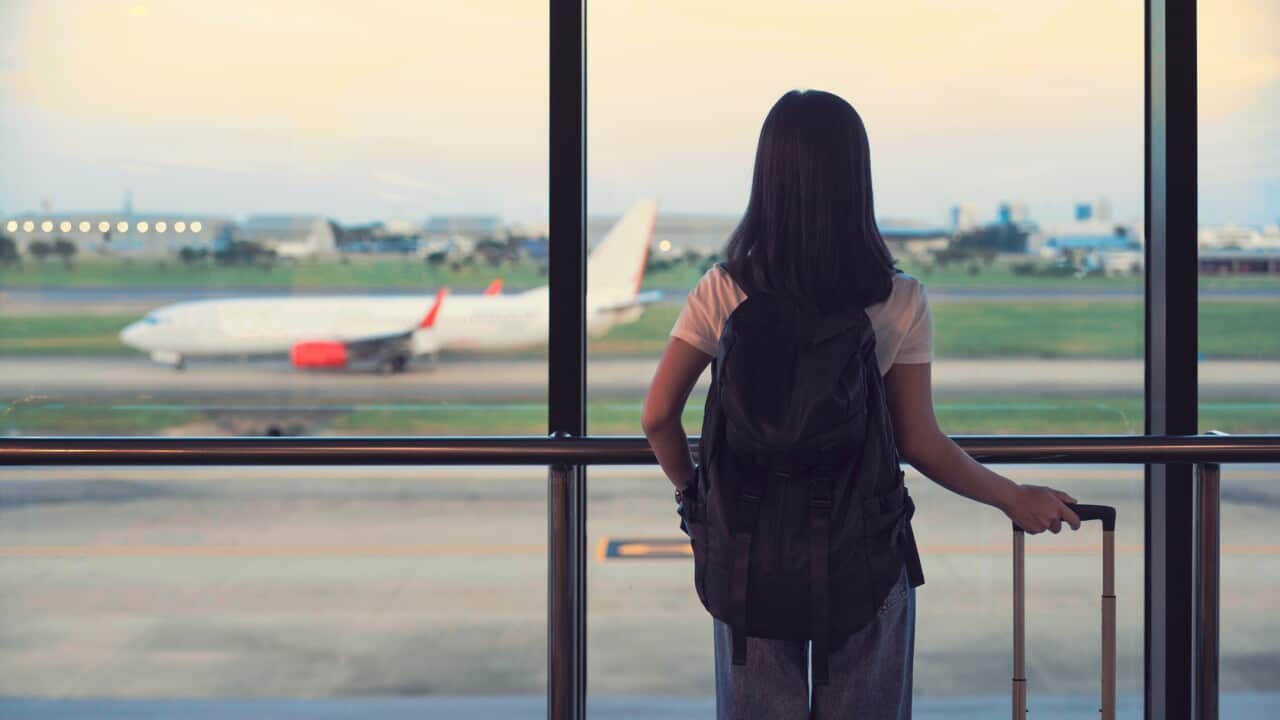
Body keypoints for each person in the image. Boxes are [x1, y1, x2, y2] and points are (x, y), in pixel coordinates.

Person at [641, 89, 1082, 719]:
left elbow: (658, 417)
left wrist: (697, 500)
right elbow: (919, 442)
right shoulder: (899, 298)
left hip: (748, 552)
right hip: (863, 551)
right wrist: (1012, 496)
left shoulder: (723, 289)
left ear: (768, 178)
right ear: (857, 179)